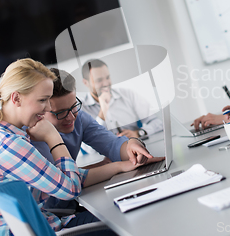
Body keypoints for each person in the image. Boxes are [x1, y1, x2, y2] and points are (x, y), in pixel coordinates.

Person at [0, 58, 153, 235]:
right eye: (43, 100)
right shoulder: (9, 144)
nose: (48, 108)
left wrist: (121, 166)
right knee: (128, 219)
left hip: (46, 224)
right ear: (16, 98)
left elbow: (65, 178)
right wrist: (53, 137)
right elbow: (70, 188)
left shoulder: (7, 135)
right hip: (43, 229)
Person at [31, 68, 163, 211]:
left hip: (72, 205)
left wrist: (131, 145)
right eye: (60, 113)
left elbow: (112, 145)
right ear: (40, 111)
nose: (71, 117)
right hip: (52, 215)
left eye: (73, 106)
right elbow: (64, 181)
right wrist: (115, 167)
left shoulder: (79, 117)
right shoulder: (31, 138)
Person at [81, 59, 163, 138]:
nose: (106, 83)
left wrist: (138, 133)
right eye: (99, 80)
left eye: (107, 78)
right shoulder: (80, 109)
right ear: (86, 83)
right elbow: (87, 145)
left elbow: (159, 121)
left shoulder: (127, 95)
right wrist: (103, 112)